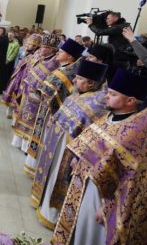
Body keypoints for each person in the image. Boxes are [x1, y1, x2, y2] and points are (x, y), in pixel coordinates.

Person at [52, 69, 147, 245]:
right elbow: (90, 143)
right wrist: (78, 158)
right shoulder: (109, 117)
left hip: (102, 199)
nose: (106, 96)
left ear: (130, 100)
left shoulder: (135, 132)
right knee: (76, 232)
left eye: (113, 94)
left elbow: (130, 181)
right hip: (82, 187)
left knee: (91, 241)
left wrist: (108, 207)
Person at [31, 60, 108, 229]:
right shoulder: (76, 94)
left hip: (68, 151)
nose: (73, 80)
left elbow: (91, 135)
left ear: (90, 83)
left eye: (79, 78)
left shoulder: (97, 104)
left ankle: (51, 216)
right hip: (55, 144)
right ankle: (41, 204)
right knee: (49, 175)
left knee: (57, 180)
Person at [24, 38, 85, 177]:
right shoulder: (63, 68)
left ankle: (37, 168)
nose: (58, 53)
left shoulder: (67, 74)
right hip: (45, 109)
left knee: (45, 139)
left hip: (51, 113)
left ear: (69, 57)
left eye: (61, 52)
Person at [13, 34, 60, 153]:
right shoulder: (43, 58)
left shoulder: (54, 63)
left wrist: (36, 89)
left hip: (38, 97)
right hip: (29, 94)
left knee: (32, 122)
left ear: (51, 49)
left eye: (44, 47)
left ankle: (27, 146)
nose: (41, 49)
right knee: (25, 117)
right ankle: (21, 142)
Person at [2, 34, 42, 132]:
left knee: (20, 99)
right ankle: (12, 115)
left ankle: (16, 119)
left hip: (25, 81)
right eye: (27, 44)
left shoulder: (37, 56)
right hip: (20, 77)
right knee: (14, 94)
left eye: (30, 44)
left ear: (36, 46)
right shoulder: (29, 54)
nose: (27, 46)